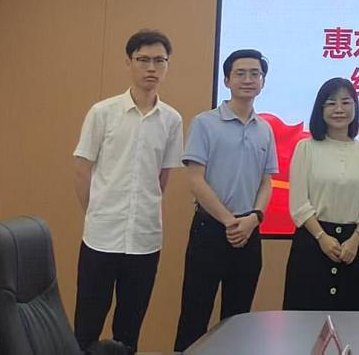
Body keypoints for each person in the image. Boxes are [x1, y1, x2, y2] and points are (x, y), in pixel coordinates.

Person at [72, 30, 184, 353]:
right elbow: (82, 168)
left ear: (167, 65)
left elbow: (163, 177)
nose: (151, 68)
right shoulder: (103, 112)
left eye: (159, 61)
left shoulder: (172, 120)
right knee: (86, 327)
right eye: (143, 59)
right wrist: (97, 211)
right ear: (129, 62)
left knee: (129, 330)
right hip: (101, 236)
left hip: (145, 239)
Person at [173, 49, 277, 352]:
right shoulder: (205, 123)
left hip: (249, 230)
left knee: (238, 317)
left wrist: (254, 217)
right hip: (211, 229)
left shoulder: (264, 129)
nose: (248, 79)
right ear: (227, 80)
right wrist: (229, 221)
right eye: (240, 73)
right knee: (195, 312)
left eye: (255, 74)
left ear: (263, 82)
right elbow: (195, 179)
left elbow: (266, 181)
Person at [283, 77, 359, 312]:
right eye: (331, 103)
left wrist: (356, 239)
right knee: (303, 320)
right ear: (320, 109)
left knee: (349, 320)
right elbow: (299, 203)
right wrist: (321, 237)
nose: (339, 109)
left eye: (346, 102)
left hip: (351, 248)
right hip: (312, 243)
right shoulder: (306, 148)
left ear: (355, 107)